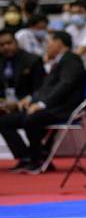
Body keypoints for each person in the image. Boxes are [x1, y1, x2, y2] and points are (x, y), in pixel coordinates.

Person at [0, 31, 86, 173]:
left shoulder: (72, 59)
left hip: (63, 108)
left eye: (49, 42)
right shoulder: (59, 62)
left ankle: (38, 159)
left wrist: (41, 105)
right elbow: (45, 88)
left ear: (59, 43)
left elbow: (64, 86)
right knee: (4, 121)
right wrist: (31, 99)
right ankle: (27, 157)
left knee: (32, 119)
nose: (46, 46)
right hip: (51, 106)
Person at [0, 30, 45, 171]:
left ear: (16, 42)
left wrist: (23, 102)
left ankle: (32, 156)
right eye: (1, 45)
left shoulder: (32, 60)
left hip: (30, 105)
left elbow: (41, 89)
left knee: (8, 121)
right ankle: (24, 155)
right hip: (5, 105)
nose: (6, 47)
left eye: (9, 43)